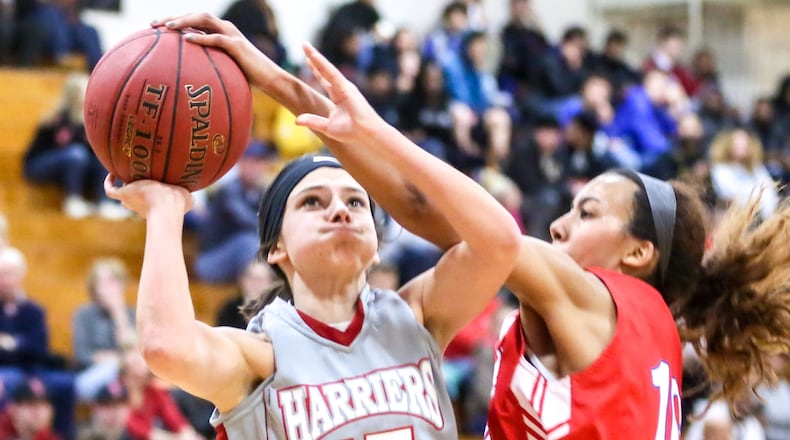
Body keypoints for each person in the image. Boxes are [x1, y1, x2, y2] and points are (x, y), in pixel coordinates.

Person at [156, 13, 790, 440]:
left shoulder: (596, 298)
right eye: (570, 207)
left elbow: (436, 210)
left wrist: (303, 95)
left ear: (637, 253)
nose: (562, 226)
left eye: (589, 213)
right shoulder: (649, 332)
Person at [108, 14, 521, 439]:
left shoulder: (416, 317)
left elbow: (500, 241)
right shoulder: (262, 356)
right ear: (276, 249)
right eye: (312, 202)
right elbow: (166, 346)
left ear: (377, 246)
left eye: (356, 201)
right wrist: (164, 211)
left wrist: (374, 131)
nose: (340, 211)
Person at [72, 258, 136, 402]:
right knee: (115, 367)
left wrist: (119, 314)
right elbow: (82, 353)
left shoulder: (131, 314)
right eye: (103, 282)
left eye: (114, 282)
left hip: (127, 373)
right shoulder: (83, 314)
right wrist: (115, 360)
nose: (110, 288)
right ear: (94, 287)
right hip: (93, 374)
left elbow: (133, 350)